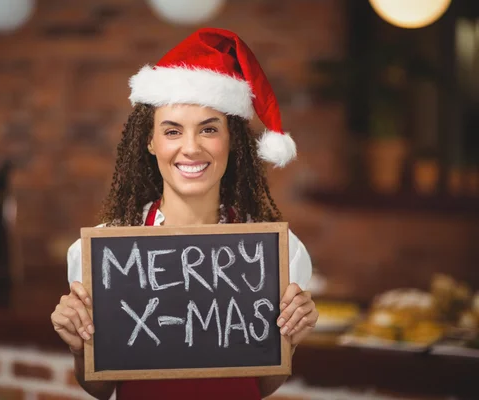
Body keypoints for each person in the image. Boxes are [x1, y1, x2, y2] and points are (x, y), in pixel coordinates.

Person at [51, 27, 319, 400]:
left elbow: (261, 384)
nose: (190, 149)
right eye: (172, 131)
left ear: (231, 141)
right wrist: (80, 349)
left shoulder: (278, 254)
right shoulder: (104, 253)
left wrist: (288, 342)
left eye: (208, 129)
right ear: (150, 141)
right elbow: (99, 386)